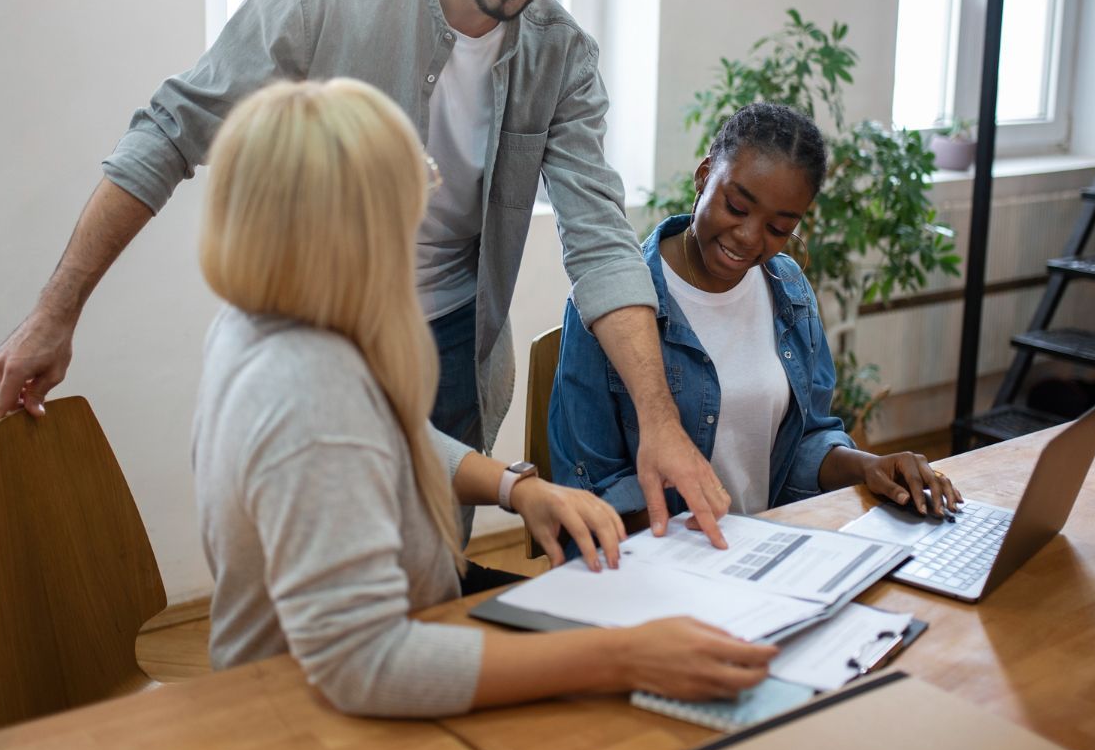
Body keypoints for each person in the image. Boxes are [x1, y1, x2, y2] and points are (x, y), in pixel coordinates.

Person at [0, 0, 729, 546]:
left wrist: (658, 423)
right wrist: (56, 311)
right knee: (323, 600)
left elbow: (599, 238)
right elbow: (171, 131)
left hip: (454, 349)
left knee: (432, 577)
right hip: (320, 335)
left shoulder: (563, 58)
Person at [191, 78, 774, 716]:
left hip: (392, 626)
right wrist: (626, 656)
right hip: (298, 714)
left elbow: (381, 437)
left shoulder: (264, 320)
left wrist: (516, 488)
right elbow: (366, 665)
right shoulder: (307, 385)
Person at [550, 103, 963, 521]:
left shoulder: (790, 291)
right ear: (704, 174)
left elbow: (802, 442)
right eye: (736, 207)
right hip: (657, 561)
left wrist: (869, 465)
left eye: (778, 229)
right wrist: (702, 557)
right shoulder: (613, 303)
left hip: (758, 550)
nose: (749, 238)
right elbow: (595, 485)